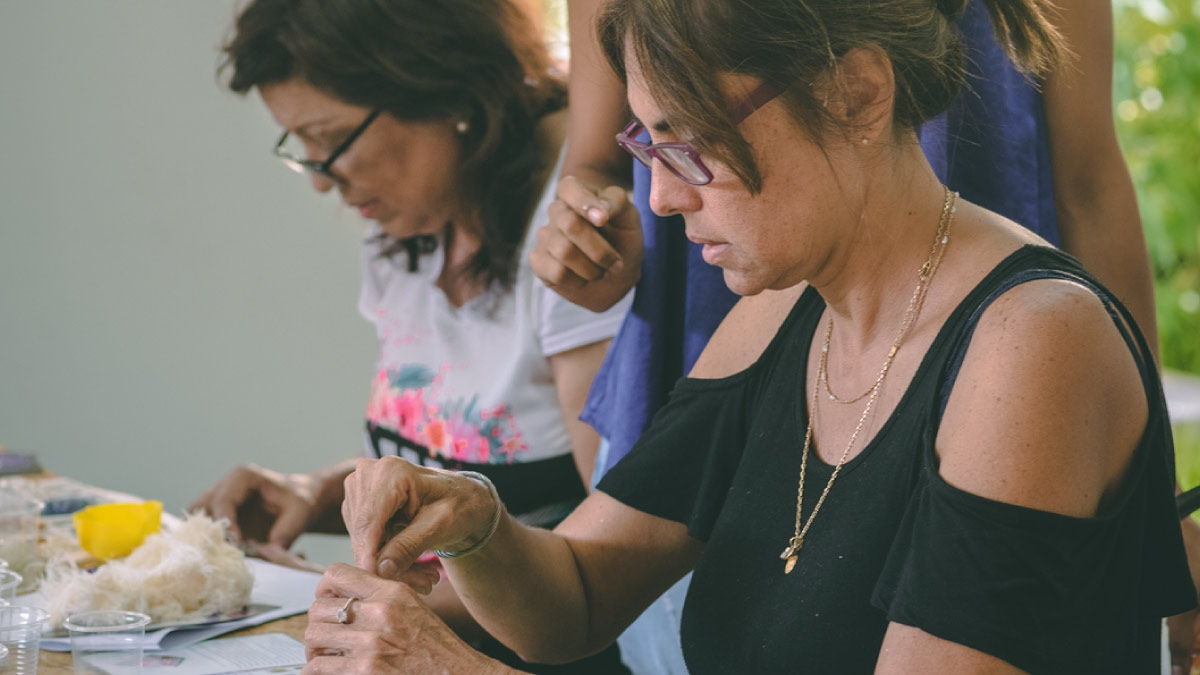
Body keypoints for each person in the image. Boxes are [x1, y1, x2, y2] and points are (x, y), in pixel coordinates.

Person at [302, 1, 1196, 673]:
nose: (660, 198)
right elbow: (575, 595)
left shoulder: (1031, 344)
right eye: (649, 146)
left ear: (856, 95)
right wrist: (473, 521)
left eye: (691, 146)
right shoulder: (783, 313)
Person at [188, 1, 631, 672]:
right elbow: (454, 454)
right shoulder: (411, 225)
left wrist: (339, 603)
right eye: (299, 147)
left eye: (329, 138)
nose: (318, 177)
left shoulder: (573, 242)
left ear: (437, 85)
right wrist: (315, 490)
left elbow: (611, 550)